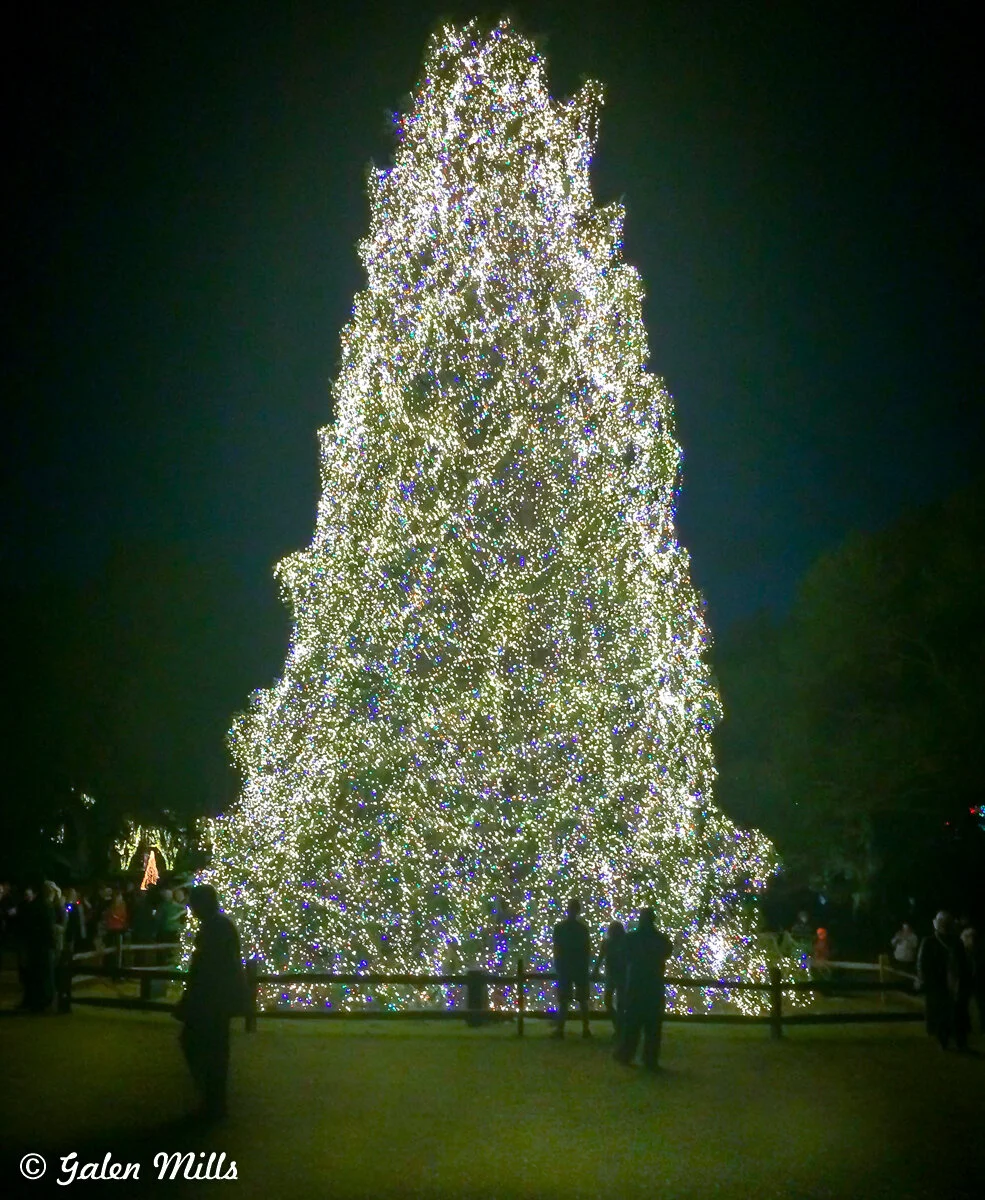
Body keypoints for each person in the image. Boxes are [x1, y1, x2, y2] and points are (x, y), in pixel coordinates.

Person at [174, 885, 246, 1119]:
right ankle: (213, 1098)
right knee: (212, 1047)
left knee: (204, 1045)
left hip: (212, 999)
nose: (192, 909)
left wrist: (192, 997)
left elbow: (208, 968)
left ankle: (212, 1099)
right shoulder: (218, 926)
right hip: (216, 998)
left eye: (194, 904)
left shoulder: (215, 928)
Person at [614, 908, 672, 1071]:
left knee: (632, 1022)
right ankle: (650, 1058)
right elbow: (667, 951)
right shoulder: (660, 940)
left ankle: (626, 1053)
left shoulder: (631, 938)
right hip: (653, 984)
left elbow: (622, 955)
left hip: (636, 984)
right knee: (653, 1025)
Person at [917, 911, 971, 1051]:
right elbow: (923, 963)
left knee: (958, 1012)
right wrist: (925, 980)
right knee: (941, 1013)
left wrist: (964, 980)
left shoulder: (956, 942)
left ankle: (960, 1040)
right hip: (938, 984)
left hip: (956, 982)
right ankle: (944, 1040)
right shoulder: (929, 942)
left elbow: (963, 963)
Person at [551, 897, 592, 1038]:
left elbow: (557, 948)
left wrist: (558, 963)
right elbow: (587, 950)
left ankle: (560, 1030)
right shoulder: (582, 929)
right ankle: (585, 1029)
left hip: (565, 966)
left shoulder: (560, 928)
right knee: (582, 1000)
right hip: (579, 966)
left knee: (564, 999)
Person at [16, 884, 56, 1012]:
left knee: (38, 974)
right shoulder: (43, 906)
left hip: (36, 945)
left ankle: (38, 1000)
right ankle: (40, 1000)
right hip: (38, 945)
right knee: (40, 974)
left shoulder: (37, 906)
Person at [598, 920, 627, 1038]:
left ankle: (618, 1028)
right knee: (614, 1002)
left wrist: (595, 970)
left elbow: (601, 958)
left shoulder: (611, 943)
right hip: (617, 976)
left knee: (614, 1002)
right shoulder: (613, 943)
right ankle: (619, 1027)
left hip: (617, 976)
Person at [959, 925, 985, 1034]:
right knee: (963, 1005)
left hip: (979, 981)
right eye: (968, 937)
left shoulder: (979, 950)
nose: (971, 939)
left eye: (972, 937)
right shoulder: (961, 951)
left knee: (981, 1004)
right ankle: (965, 1026)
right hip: (966, 981)